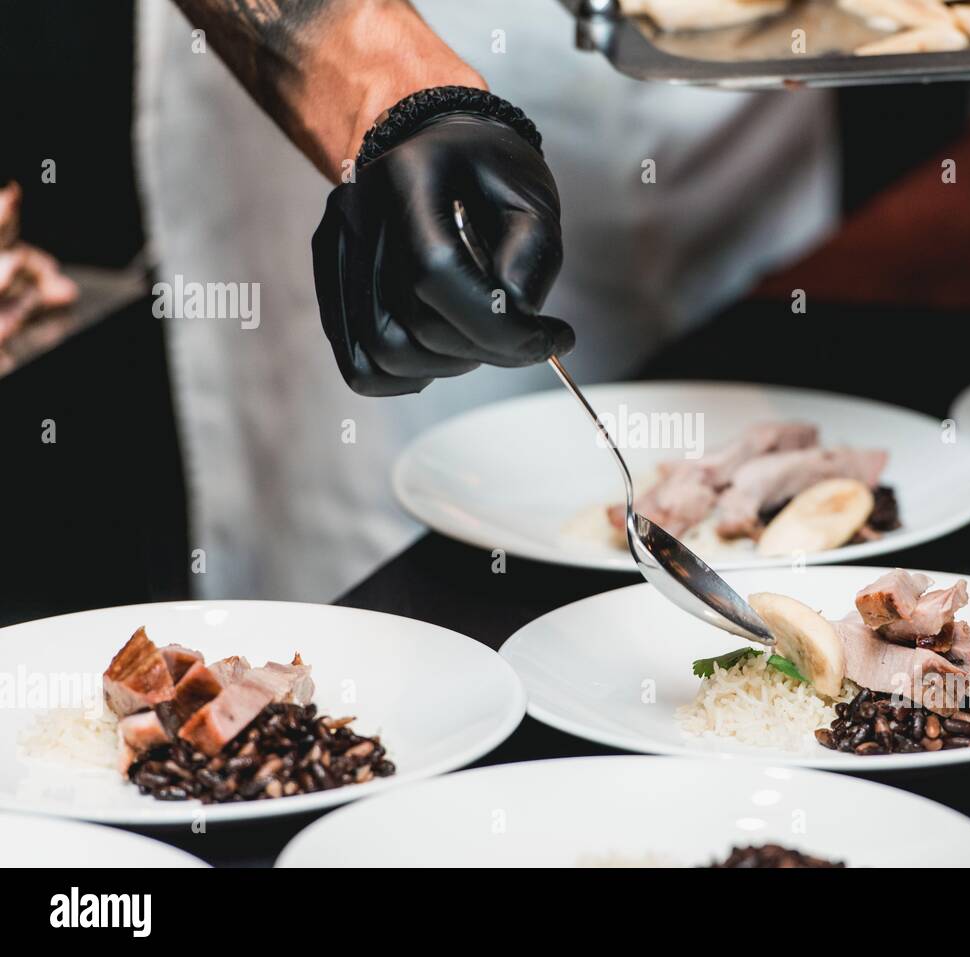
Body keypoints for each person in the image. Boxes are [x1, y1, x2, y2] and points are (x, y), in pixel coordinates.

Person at [132, 0, 840, 601]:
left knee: (788, 533)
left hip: (751, 74)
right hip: (405, 50)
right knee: (426, 583)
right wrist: (392, 94)